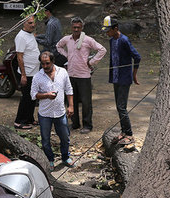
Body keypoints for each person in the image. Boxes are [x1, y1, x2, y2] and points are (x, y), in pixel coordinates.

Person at [56, 17, 106, 134]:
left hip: (84, 75)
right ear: (71, 28)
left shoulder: (88, 40)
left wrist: (91, 62)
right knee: (71, 100)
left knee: (86, 102)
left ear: (82, 28)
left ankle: (87, 125)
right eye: (74, 27)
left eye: (78, 27)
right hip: (71, 74)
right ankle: (75, 123)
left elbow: (102, 50)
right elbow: (58, 46)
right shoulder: (67, 39)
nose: (76, 29)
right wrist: (67, 55)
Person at [102, 15, 141, 146]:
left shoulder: (124, 40)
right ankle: (123, 132)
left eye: (109, 30)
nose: (107, 33)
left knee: (122, 107)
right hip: (115, 78)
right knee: (119, 107)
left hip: (124, 78)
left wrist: (134, 75)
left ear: (116, 28)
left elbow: (137, 57)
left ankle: (129, 134)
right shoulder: (111, 40)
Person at [31, 51, 74, 169]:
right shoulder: (37, 77)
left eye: (47, 63)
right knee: (45, 140)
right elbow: (33, 95)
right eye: (42, 64)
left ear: (53, 61)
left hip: (60, 112)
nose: (45, 66)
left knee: (65, 137)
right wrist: (46, 95)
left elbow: (69, 90)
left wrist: (71, 106)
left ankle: (65, 157)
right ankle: (50, 159)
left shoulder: (63, 72)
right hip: (45, 114)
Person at [13, 15, 40, 130]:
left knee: (32, 97)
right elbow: (19, 57)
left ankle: (29, 118)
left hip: (34, 72)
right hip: (27, 73)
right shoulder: (21, 37)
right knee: (26, 98)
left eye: (33, 22)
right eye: (29, 23)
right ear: (24, 24)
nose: (32, 25)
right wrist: (23, 75)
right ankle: (19, 121)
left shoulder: (30, 34)